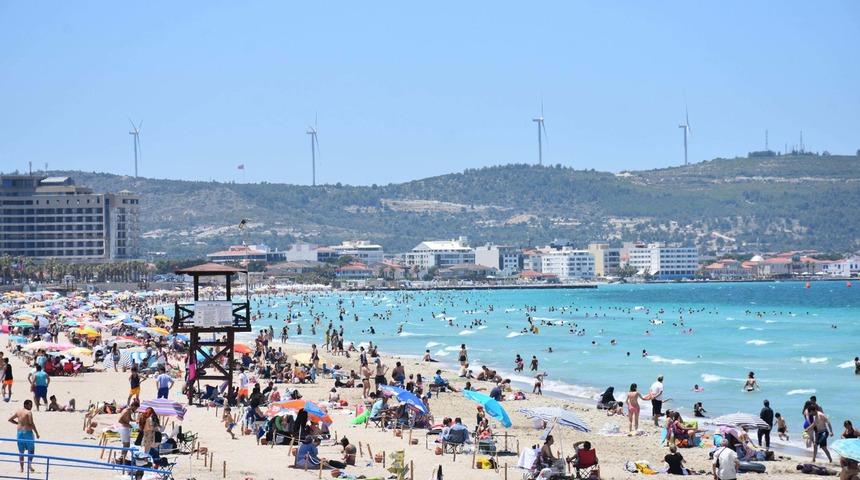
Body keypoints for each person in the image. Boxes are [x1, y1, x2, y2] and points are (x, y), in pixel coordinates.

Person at [8, 399, 40, 473]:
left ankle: (21, 468)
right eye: (30, 405)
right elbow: (31, 423)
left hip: (19, 433)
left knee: (21, 452)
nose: (31, 406)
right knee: (31, 450)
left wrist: (17, 423)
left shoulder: (18, 411)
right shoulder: (29, 412)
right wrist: (36, 433)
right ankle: (29, 464)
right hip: (28, 433)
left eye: (31, 405)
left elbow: (10, 419)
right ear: (25, 405)